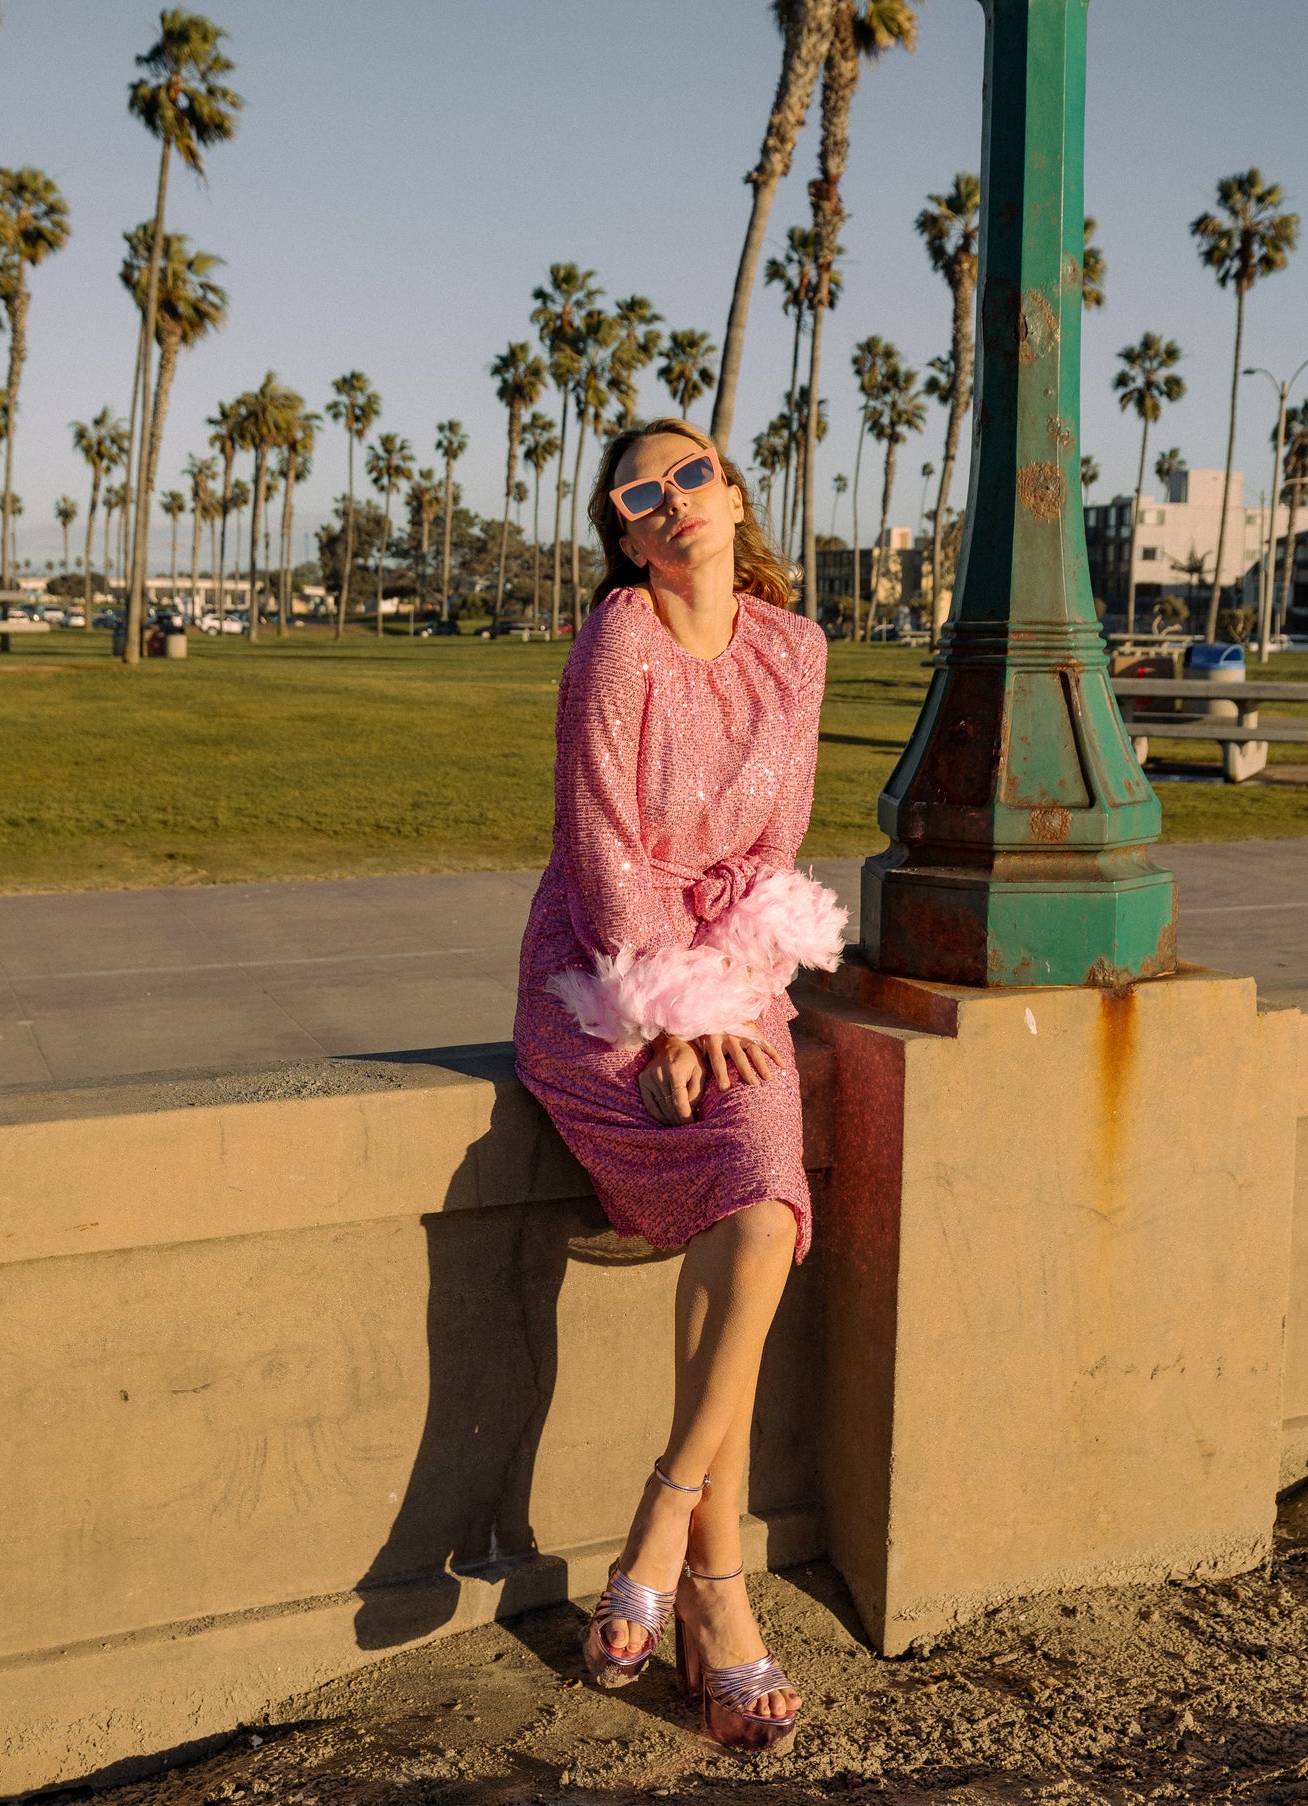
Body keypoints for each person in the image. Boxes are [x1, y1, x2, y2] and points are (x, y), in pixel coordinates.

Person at [513, 417, 845, 1753]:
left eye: (691, 471)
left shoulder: (795, 648)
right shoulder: (619, 641)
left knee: (763, 1199)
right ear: (625, 529)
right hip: (603, 978)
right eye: (638, 494)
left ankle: (670, 1513)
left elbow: (775, 848)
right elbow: (598, 841)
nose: (671, 501)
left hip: (733, 961)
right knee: (725, 1161)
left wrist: (725, 993)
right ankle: (719, 1595)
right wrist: (662, 1010)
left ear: (733, 488)